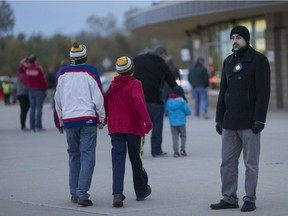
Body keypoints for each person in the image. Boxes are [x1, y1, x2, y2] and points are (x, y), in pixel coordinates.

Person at [210, 25, 270, 212]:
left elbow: (263, 92)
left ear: (246, 39)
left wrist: (260, 119)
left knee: (250, 163)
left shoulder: (259, 60)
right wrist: (219, 118)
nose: (235, 40)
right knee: (227, 162)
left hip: (250, 122)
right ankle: (229, 197)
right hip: (230, 122)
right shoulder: (228, 61)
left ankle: (249, 198)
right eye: (232, 37)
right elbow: (223, 92)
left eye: (238, 37)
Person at [54, 42, 105, 207]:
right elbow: (98, 97)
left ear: (71, 58)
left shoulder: (62, 73)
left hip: (69, 120)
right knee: (87, 156)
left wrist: (59, 120)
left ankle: (74, 192)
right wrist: (103, 118)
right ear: (85, 56)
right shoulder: (91, 71)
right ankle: (82, 193)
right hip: (88, 119)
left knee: (73, 155)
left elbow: (57, 99)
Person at [104, 56, 153, 208]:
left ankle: (117, 194)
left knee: (118, 160)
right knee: (136, 158)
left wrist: (105, 119)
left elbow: (105, 102)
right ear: (131, 69)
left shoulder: (112, 86)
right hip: (133, 127)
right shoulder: (135, 84)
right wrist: (147, 122)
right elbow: (138, 102)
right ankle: (141, 191)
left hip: (116, 128)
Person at [133, 45, 178, 157]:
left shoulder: (139, 60)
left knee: (139, 125)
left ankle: (138, 150)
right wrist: (181, 95)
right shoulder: (162, 64)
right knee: (157, 124)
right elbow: (172, 82)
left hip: (138, 100)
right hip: (155, 100)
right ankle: (156, 150)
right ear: (161, 54)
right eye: (164, 55)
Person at [22, 54, 48, 132]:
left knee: (32, 109)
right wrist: (46, 88)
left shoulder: (27, 68)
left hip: (31, 90)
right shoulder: (38, 69)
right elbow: (43, 80)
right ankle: (39, 126)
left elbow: (21, 62)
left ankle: (32, 127)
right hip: (39, 90)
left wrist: (25, 59)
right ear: (35, 60)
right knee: (39, 109)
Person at [165, 86, 191, 157]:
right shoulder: (182, 101)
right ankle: (182, 150)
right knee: (183, 136)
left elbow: (166, 112)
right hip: (182, 122)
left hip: (173, 123)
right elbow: (188, 112)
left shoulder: (168, 101)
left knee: (174, 136)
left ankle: (176, 152)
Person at [16, 59, 30, 131]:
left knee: (23, 110)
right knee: (24, 110)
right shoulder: (23, 76)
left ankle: (23, 125)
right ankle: (23, 126)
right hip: (24, 94)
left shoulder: (19, 75)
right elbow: (26, 86)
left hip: (20, 94)